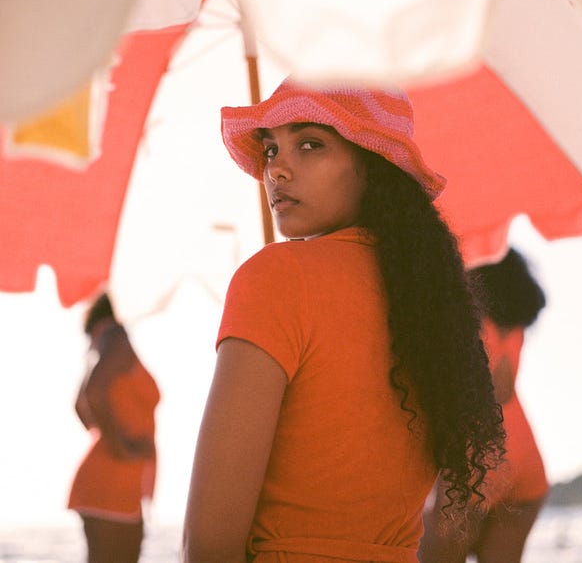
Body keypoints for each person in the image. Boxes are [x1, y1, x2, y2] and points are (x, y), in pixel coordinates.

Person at [183, 78, 505, 563]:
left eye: (310, 144)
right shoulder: (430, 304)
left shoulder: (275, 279)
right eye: (270, 149)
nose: (278, 171)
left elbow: (208, 545)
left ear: (374, 166)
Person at [420, 248, 548, 563]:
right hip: (523, 453)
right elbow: (503, 387)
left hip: (477, 452)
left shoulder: (465, 315)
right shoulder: (513, 324)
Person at [68, 292, 160, 563]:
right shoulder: (117, 338)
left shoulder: (102, 341)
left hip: (110, 480)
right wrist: (121, 445)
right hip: (113, 480)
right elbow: (93, 395)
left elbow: (80, 404)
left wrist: (111, 437)